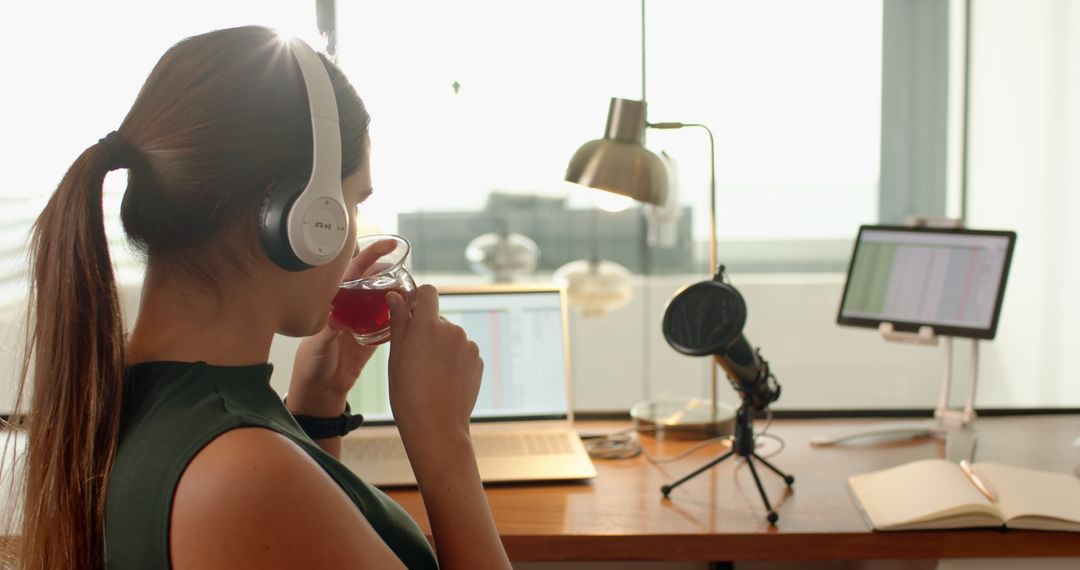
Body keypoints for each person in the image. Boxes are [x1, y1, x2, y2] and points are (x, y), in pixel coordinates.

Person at [11, 26, 511, 569]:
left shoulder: (127, 396)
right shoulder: (241, 472)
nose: (350, 234)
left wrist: (316, 412)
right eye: (352, 202)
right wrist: (445, 446)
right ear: (304, 216)